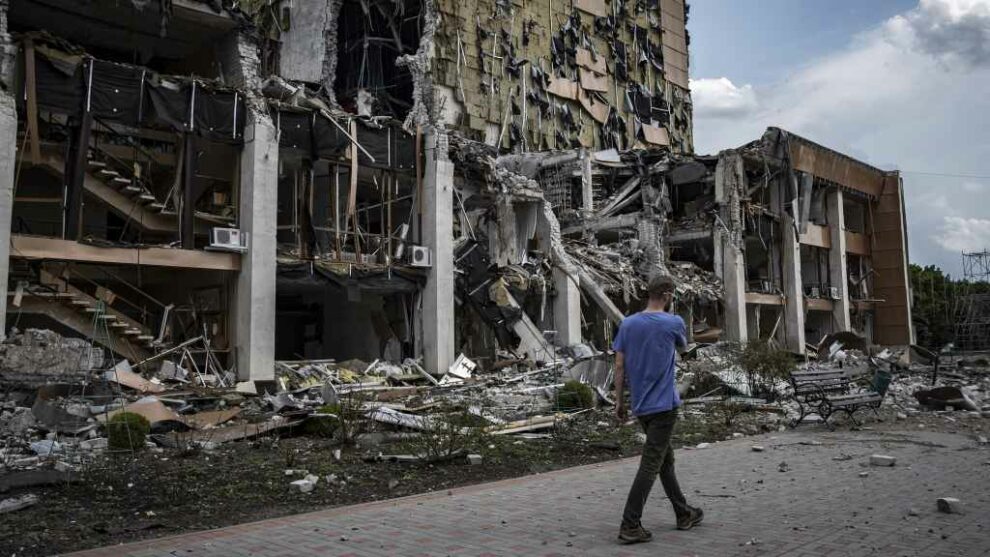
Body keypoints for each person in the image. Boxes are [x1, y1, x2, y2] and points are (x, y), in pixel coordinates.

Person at [613, 274, 703, 544]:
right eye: (672, 295)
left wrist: (619, 401)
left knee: (665, 461)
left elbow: (619, 366)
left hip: (641, 406)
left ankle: (683, 512)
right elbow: (683, 347)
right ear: (666, 295)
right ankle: (630, 524)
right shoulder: (673, 322)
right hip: (664, 405)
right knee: (651, 464)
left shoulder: (627, 324)